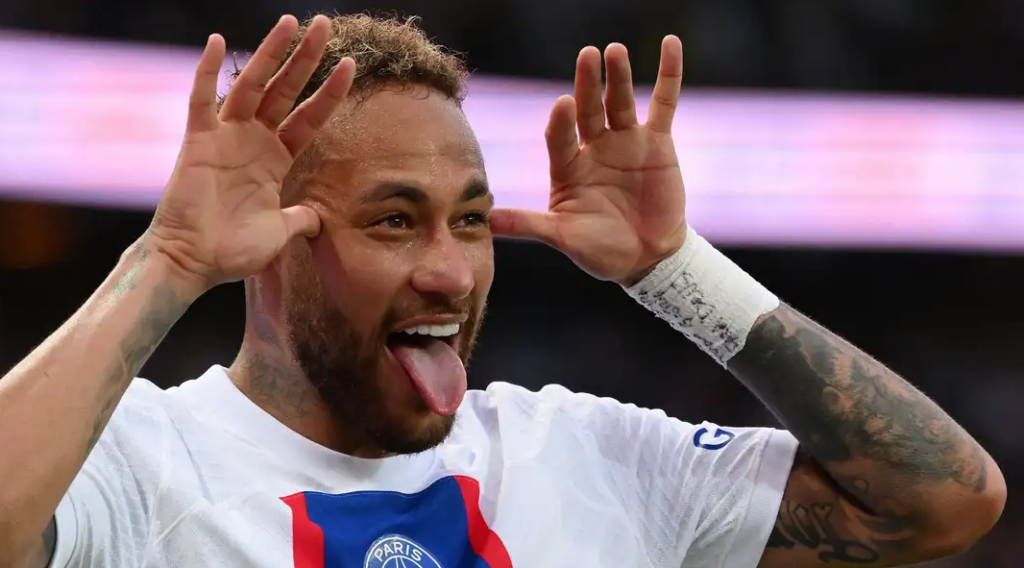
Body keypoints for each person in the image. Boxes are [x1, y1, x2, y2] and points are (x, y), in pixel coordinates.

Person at [0, 13, 1005, 568]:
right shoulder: (138, 462)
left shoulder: (591, 458)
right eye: (394, 222)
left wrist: (678, 274)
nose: (450, 270)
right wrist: (170, 258)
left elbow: (941, 500)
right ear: (274, 241)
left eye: (472, 221)